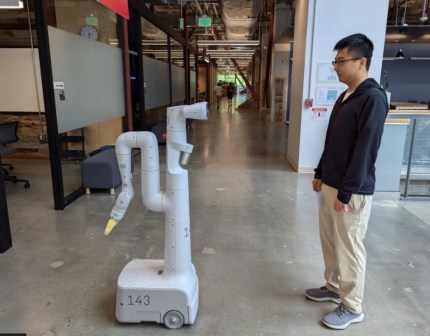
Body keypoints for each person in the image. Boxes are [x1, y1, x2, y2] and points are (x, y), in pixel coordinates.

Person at [305, 33, 388, 330]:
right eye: (336, 61)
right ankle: (332, 286)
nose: (336, 67)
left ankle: (352, 306)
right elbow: (334, 141)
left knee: (350, 247)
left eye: (341, 61)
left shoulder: (373, 99)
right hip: (331, 184)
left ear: (361, 62)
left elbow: (365, 150)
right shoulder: (345, 96)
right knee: (330, 241)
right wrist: (320, 172)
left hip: (350, 191)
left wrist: (346, 191)